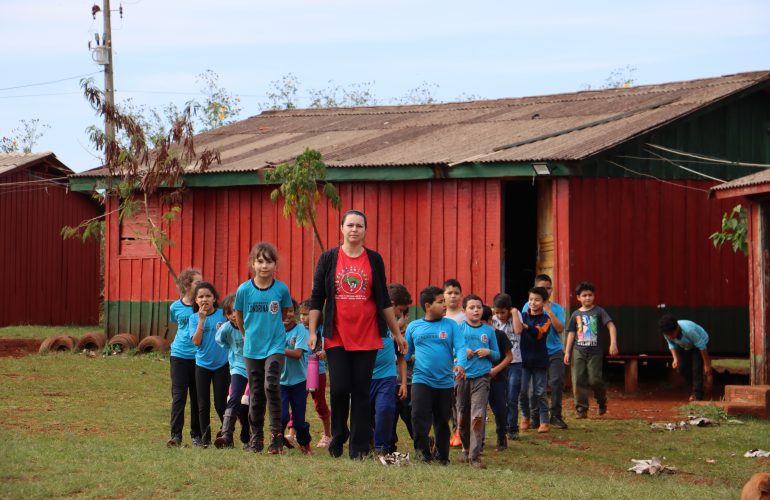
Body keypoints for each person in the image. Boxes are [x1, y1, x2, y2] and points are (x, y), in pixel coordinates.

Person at [308, 209, 406, 459]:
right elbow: (318, 297)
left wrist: (397, 334)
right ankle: (339, 434)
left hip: (368, 335)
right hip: (336, 335)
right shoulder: (329, 258)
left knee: (362, 392)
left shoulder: (374, 259)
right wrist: (312, 332)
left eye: (359, 226)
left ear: (365, 230)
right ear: (341, 228)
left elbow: (383, 300)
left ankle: (359, 448)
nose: (354, 229)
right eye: (350, 225)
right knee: (340, 388)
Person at [235, 242, 293, 454]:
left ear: (275, 265)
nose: (264, 266)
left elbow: (287, 311)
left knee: (271, 385)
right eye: (260, 261)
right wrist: (246, 334)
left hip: (275, 346)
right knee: (257, 392)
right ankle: (256, 437)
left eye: (269, 261)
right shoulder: (244, 290)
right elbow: (239, 317)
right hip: (252, 348)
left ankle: (276, 436)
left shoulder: (281, 289)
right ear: (253, 264)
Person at [405, 286, 466, 464]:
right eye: (440, 302)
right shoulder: (414, 327)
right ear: (428, 305)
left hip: (445, 382)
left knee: (441, 421)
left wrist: (461, 364)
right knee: (418, 418)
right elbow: (406, 355)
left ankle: (442, 457)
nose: (445, 304)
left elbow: (461, 347)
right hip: (421, 380)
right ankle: (423, 455)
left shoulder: (451, 325)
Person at [456, 295, 500, 468]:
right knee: (462, 415)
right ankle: (465, 449)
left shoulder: (489, 331)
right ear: (464, 311)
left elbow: (497, 355)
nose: (476, 310)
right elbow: (451, 351)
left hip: (482, 378)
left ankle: (475, 457)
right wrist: (462, 351)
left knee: (478, 415)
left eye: (479, 307)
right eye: (472, 307)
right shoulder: (459, 329)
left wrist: (488, 351)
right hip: (462, 377)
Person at [564, 281, 618, 418]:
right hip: (578, 350)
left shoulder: (599, 311)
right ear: (578, 298)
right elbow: (571, 333)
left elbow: (611, 326)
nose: (587, 298)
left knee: (595, 379)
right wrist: (568, 352)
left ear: (594, 296)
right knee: (578, 379)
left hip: (595, 352)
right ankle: (581, 409)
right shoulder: (575, 314)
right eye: (584, 295)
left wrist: (613, 343)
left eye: (590, 295)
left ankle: (601, 401)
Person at [522, 274, 567, 429]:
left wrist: (549, 311)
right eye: (542, 288)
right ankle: (535, 417)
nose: (545, 291)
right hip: (534, 353)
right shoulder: (527, 307)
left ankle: (555, 416)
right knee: (533, 388)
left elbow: (560, 329)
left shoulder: (557, 308)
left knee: (556, 383)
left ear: (551, 289)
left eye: (548, 288)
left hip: (554, 351)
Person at [189, 281, 229, 448]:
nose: (204, 299)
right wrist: (202, 320)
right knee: (202, 404)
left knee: (221, 404)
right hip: (202, 366)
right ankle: (205, 439)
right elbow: (196, 342)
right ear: (196, 301)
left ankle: (227, 435)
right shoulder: (193, 318)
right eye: (201, 297)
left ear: (214, 298)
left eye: (208, 296)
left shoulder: (223, 315)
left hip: (222, 365)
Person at [369, 286, 408, 456]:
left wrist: (404, 382)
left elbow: (401, 358)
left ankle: (382, 448)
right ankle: (367, 444)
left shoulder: (394, 330)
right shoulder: (370, 319)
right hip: (366, 376)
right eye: (399, 310)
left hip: (387, 375)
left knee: (385, 409)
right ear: (391, 304)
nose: (399, 315)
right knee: (367, 414)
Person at [167, 268, 203, 447]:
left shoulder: (204, 306)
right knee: (179, 396)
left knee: (197, 397)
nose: (201, 285)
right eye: (197, 282)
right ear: (187, 285)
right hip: (179, 356)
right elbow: (177, 324)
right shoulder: (175, 307)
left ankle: (197, 435)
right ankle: (176, 436)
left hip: (199, 358)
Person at [514, 287, 552, 433]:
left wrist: (525, 327)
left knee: (540, 392)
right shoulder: (522, 315)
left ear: (544, 302)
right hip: (523, 361)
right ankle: (525, 417)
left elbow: (539, 334)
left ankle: (544, 421)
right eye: (530, 299)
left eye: (537, 300)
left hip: (540, 361)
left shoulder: (546, 319)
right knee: (523, 391)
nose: (533, 302)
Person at [213, 294, 249, 449]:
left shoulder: (251, 324)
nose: (234, 315)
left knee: (249, 403)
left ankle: (249, 435)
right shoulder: (226, 328)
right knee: (234, 398)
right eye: (230, 312)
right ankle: (226, 434)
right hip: (238, 368)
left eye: (237, 310)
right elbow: (220, 340)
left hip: (255, 368)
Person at [280, 299, 313, 454]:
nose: (287, 314)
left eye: (291, 310)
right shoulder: (274, 329)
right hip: (279, 381)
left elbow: (298, 354)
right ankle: (276, 443)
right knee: (282, 416)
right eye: (284, 311)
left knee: (299, 421)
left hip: (299, 381)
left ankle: (304, 443)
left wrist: (276, 348)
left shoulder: (301, 330)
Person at [298, 299, 331, 448]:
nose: (302, 318)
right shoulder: (298, 329)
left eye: (306, 314)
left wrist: (325, 352)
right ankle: (292, 434)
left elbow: (327, 345)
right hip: (299, 373)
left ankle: (327, 435)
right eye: (301, 314)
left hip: (318, 372)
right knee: (298, 402)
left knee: (320, 404)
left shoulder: (323, 329)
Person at [492, 293, 523, 440]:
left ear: (509, 310)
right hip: (499, 364)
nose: (499, 315)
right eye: (497, 312)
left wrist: (514, 313)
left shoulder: (515, 317)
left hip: (515, 362)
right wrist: (493, 313)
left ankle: (513, 428)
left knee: (512, 397)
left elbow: (518, 330)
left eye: (503, 312)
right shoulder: (493, 320)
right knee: (501, 397)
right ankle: (503, 428)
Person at [658, 315, 712, 401]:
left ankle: (698, 397)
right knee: (682, 369)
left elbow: (701, 346)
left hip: (699, 344)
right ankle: (698, 387)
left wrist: (707, 365)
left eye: (672, 334)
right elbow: (671, 344)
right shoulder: (667, 333)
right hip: (685, 345)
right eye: (667, 335)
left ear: (677, 328)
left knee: (696, 368)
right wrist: (675, 358)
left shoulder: (688, 330)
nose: (670, 337)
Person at [482, 305, 513, 451]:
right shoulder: (472, 335)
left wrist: (496, 370)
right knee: (478, 409)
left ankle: (501, 435)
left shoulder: (499, 335)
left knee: (500, 409)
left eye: (483, 322)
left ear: (490, 320)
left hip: (498, 378)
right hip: (478, 379)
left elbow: (509, 357)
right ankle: (478, 439)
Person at [389, 283, 415, 451]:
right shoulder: (382, 328)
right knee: (388, 417)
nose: (399, 317)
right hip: (388, 381)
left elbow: (405, 357)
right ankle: (389, 447)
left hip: (407, 382)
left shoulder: (409, 334)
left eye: (402, 315)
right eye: (398, 312)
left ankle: (423, 444)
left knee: (410, 417)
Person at [443, 278, 465, 447]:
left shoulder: (465, 317)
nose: (453, 296)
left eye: (456, 293)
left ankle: (460, 432)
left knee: (460, 400)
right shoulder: (441, 318)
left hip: (462, 365)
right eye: (449, 293)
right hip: (444, 365)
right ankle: (453, 430)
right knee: (449, 401)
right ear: (443, 295)